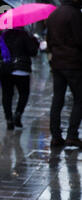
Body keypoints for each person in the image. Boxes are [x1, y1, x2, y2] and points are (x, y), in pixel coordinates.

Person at [46, 0, 82, 148]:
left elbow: (49, 40)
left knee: (57, 100)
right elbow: (80, 39)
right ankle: (72, 135)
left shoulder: (54, 14)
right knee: (80, 98)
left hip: (57, 63)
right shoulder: (75, 14)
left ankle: (55, 136)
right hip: (73, 63)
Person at [0, 27, 39, 130]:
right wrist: (34, 40)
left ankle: (9, 118)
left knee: (7, 94)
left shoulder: (4, 35)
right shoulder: (25, 35)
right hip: (21, 70)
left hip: (6, 69)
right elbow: (33, 52)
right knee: (24, 93)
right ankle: (18, 113)